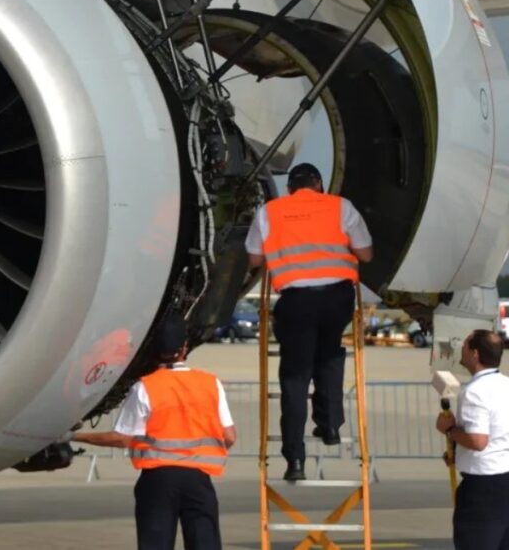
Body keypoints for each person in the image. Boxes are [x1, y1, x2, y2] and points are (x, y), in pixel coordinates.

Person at [244, 163, 373, 481]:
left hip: (296, 302)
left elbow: (254, 259)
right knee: (329, 357)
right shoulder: (341, 207)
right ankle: (330, 425)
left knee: (294, 379)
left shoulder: (270, 211)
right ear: (319, 185)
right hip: (337, 299)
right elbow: (366, 254)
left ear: (290, 188)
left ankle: (295, 461)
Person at [72, 317, 236, 549]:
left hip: (158, 481)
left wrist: (76, 436)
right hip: (198, 479)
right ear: (184, 349)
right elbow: (229, 436)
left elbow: (122, 438)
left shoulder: (145, 387)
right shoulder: (210, 383)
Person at [435, 329, 509, 549]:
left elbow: (478, 441)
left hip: (483, 488)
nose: (461, 349)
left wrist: (449, 430)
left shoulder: (475, 392)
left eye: (465, 345)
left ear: (475, 354)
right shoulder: (506, 385)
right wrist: (458, 451)